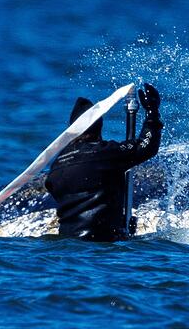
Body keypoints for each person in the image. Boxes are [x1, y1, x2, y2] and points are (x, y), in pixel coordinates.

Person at [44, 83, 163, 241]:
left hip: (67, 245)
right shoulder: (103, 154)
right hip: (100, 246)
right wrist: (152, 113)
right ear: (98, 127)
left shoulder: (57, 165)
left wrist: (121, 222)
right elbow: (146, 147)